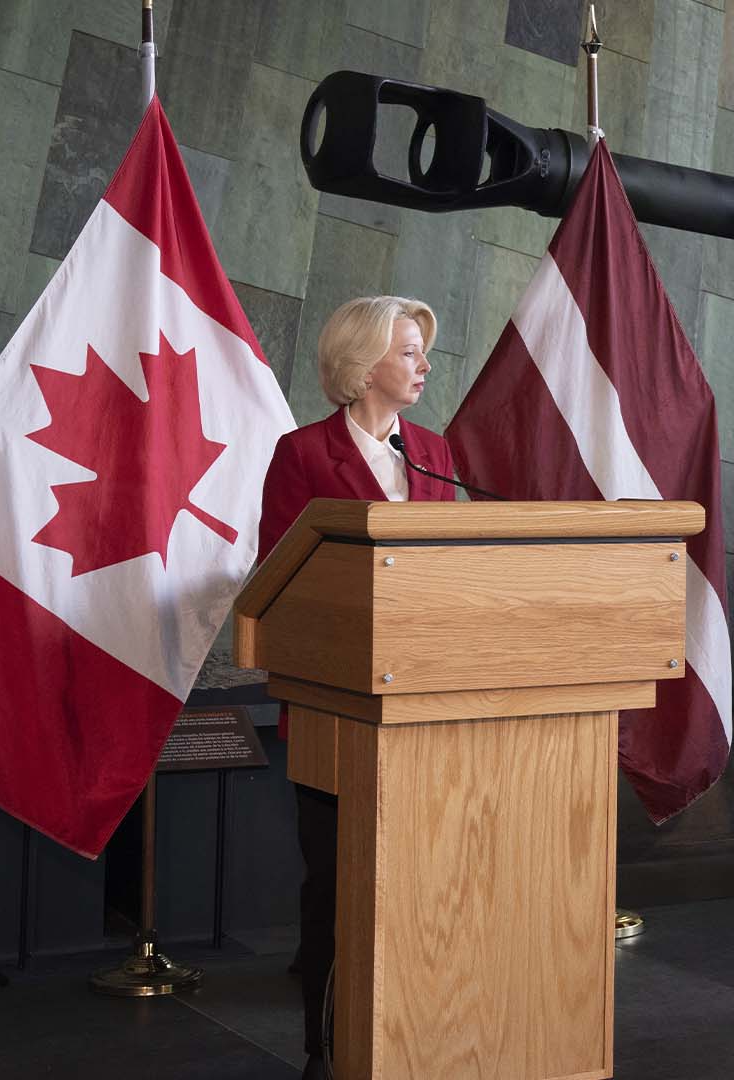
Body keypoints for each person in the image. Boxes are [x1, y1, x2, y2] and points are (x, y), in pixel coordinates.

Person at [256, 296, 455, 1079]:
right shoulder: (302, 454)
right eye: (409, 352)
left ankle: (414, 1040)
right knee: (336, 883)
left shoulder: (436, 452)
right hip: (334, 707)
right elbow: (281, 581)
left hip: (424, 707)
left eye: (421, 352)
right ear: (363, 363)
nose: (424, 366)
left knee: (420, 884)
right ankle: (327, 1048)